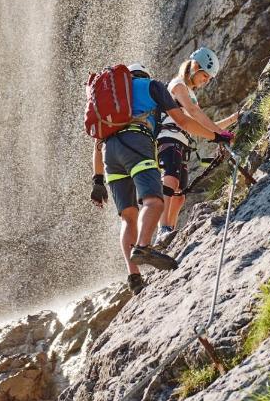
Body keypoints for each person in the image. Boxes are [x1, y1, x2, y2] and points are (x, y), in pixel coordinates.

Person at [90, 62, 219, 296]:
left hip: (110, 153)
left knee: (128, 217)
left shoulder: (111, 101)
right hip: (136, 144)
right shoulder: (152, 86)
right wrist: (215, 136)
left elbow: (97, 143)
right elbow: (184, 121)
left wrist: (97, 181)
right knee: (154, 201)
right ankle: (143, 247)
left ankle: (134, 277)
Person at [156, 46, 239, 242]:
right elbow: (194, 113)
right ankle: (162, 230)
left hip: (181, 143)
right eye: (205, 75)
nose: (207, 81)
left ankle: (169, 233)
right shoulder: (177, 85)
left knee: (180, 194)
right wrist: (219, 134)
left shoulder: (190, 94)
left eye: (209, 78)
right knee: (171, 180)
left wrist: (232, 120)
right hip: (168, 138)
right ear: (195, 67)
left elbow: (202, 123)